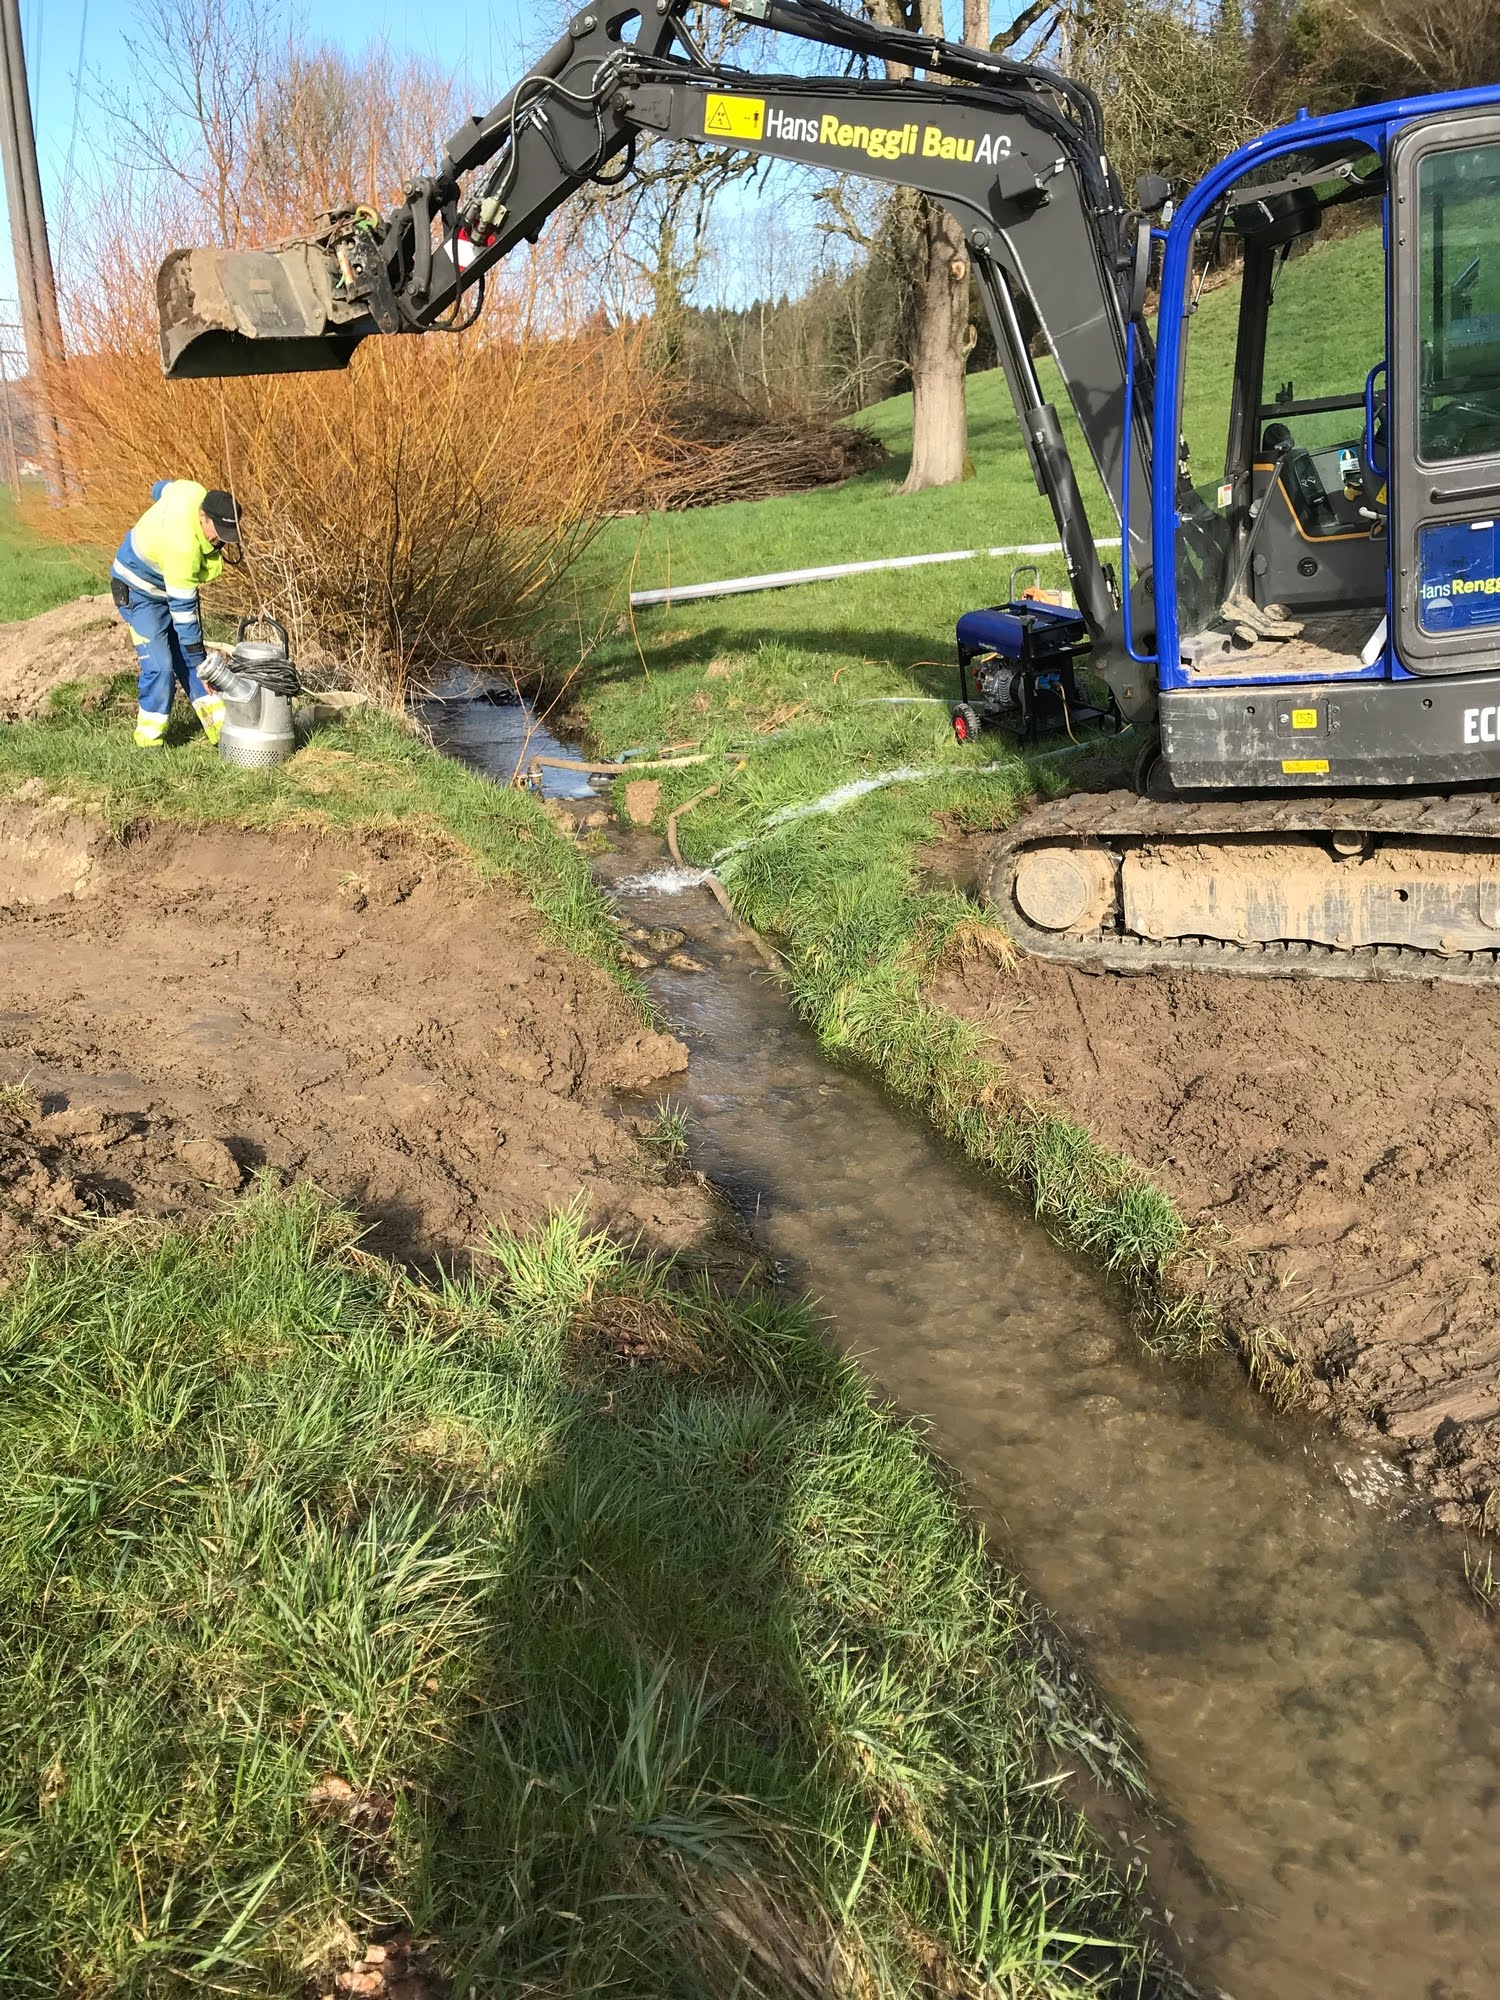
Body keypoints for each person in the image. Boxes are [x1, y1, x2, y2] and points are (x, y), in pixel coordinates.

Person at [110, 480, 243, 749]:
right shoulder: (183, 549)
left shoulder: (190, 491)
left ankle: (222, 730)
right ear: (202, 516)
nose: (221, 541)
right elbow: (184, 613)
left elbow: (159, 488)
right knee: (162, 666)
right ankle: (148, 741)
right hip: (138, 590)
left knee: (191, 656)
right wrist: (200, 663)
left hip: (165, 583)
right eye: (218, 532)